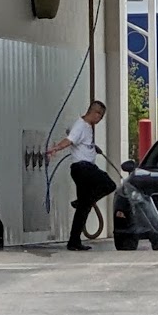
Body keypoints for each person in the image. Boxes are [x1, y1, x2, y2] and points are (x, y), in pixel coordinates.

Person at [47, 99, 111, 251]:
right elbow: (70, 140)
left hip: (85, 168)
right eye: (100, 116)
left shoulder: (88, 127)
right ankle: (82, 202)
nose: (100, 120)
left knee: (84, 208)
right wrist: (56, 148)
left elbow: (81, 143)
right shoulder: (81, 125)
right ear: (95, 113)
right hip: (83, 168)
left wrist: (93, 148)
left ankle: (74, 241)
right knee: (109, 184)